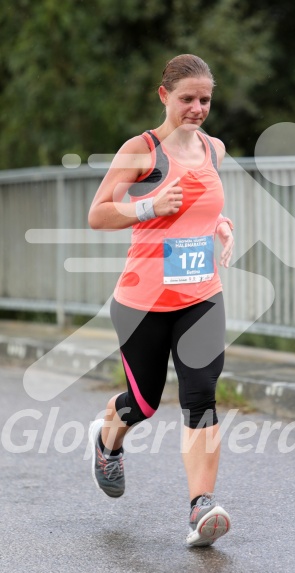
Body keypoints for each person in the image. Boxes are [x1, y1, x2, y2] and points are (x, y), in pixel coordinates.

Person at [87, 54, 234, 547]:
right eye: (187, 98)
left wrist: (222, 226)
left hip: (201, 297)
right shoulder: (142, 149)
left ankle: (201, 507)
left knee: (201, 397)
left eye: (205, 100)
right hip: (142, 301)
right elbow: (99, 214)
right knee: (145, 402)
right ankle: (109, 436)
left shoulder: (215, 149)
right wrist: (149, 205)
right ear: (164, 96)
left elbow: (205, 207)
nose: (196, 108)